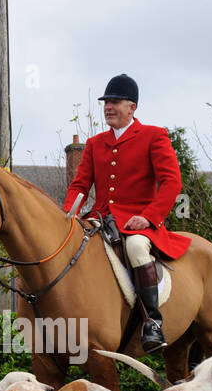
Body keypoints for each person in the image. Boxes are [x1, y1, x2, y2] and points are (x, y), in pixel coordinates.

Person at [62, 73, 190, 353]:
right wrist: (69, 213)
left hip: (139, 222)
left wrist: (149, 216)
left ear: (132, 107)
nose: (108, 106)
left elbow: (171, 182)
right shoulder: (95, 143)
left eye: (115, 102)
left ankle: (152, 322)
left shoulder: (154, 136)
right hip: (100, 217)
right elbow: (81, 184)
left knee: (135, 248)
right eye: (106, 102)